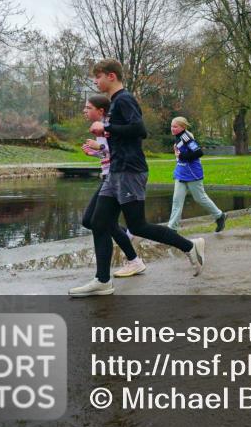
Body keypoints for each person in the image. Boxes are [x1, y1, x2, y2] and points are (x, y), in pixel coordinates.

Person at [69, 59, 205, 297]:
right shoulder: (115, 103)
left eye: (97, 77)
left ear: (111, 76)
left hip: (130, 170)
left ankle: (190, 246)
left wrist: (106, 130)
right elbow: (121, 137)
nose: (94, 81)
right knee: (97, 222)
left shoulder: (124, 99)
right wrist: (102, 144)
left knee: (137, 225)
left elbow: (139, 130)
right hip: (116, 171)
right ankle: (102, 281)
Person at [80, 95, 146, 278]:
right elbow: (108, 155)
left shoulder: (107, 125)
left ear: (100, 111)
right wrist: (95, 152)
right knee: (92, 221)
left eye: (88, 107)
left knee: (99, 222)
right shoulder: (101, 127)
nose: (84, 111)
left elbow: (118, 150)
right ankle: (132, 255)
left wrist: (99, 148)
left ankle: (131, 251)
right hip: (109, 177)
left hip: (117, 177)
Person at [167, 116, 227, 233]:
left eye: (175, 126)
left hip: (192, 173)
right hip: (181, 173)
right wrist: (178, 157)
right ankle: (172, 228)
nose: (172, 129)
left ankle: (219, 216)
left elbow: (199, 152)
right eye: (171, 126)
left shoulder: (186, 137)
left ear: (182, 127)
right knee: (176, 200)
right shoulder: (178, 137)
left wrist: (182, 157)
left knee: (200, 198)